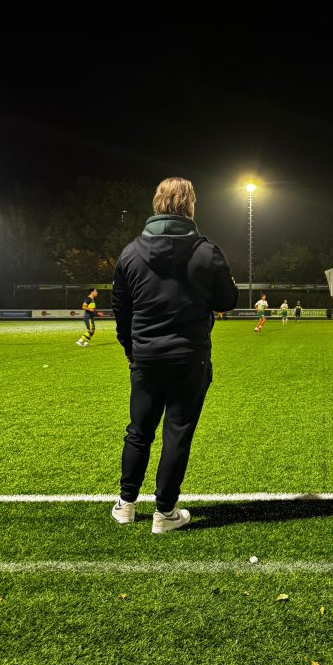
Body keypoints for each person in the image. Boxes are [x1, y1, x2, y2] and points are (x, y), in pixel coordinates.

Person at [111, 176, 238, 533]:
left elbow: (120, 308)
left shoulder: (131, 252)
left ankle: (126, 503)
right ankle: (164, 513)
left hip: (146, 357)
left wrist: (130, 350)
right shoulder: (206, 250)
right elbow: (228, 300)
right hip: (189, 357)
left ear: (157, 203)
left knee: (139, 430)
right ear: (189, 206)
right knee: (176, 433)